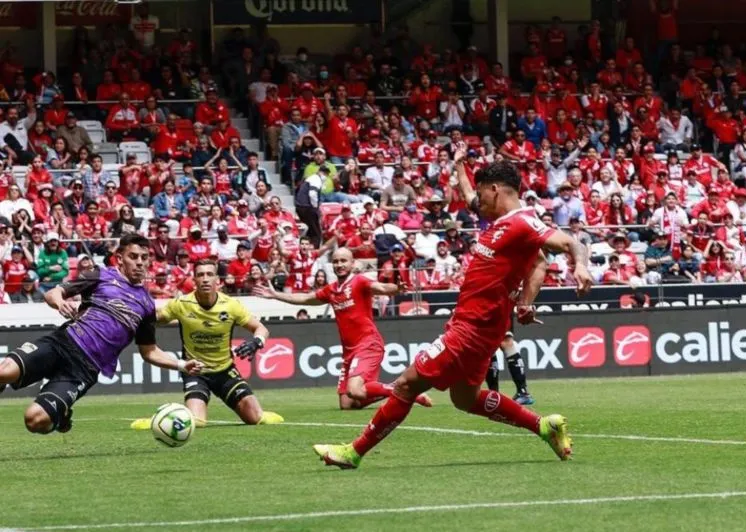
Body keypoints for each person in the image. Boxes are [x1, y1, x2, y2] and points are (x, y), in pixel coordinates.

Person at [311, 153, 592, 470]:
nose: (477, 202)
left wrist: (580, 266)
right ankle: (543, 426)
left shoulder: (523, 222)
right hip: (482, 328)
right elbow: (536, 260)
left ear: (495, 189)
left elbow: (572, 244)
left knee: (405, 385)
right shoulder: (501, 220)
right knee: (465, 398)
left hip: (472, 328)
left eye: (482, 194)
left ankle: (353, 452)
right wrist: (459, 167)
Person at [0, 234, 204, 434]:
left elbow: (149, 351)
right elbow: (52, 293)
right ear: (120, 258)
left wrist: (181, 365)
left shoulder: (147, 305)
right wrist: (60, 303)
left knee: (35, 421)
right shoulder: (100, 275)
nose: (140, 262)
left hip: (84, 368)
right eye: (133, 256)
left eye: (144, 257)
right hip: (62, 343)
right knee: (4, 372)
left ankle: (60, 416)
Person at [255, 247, 433, 411]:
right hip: (349, 352)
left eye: (343, 261)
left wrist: (396, 289)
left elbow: (381, 287)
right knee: (347, 404)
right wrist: (275, 295)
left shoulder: (359, 281)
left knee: (355, 390)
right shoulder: (331, 290)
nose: (339, 265)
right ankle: (395, 390)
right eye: (336, 261)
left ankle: (407, 391)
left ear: (352, 263)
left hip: (368, 344)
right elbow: (306, 298)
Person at [130, 259, 284, 430]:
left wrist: (257, 342)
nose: (205, 279)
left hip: (225, 371)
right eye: (200, 275)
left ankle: (258, 412)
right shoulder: (181, 304)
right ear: (194, 279)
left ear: (217, 279)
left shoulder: (231, 305)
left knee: (254, 418)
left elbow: (261, 328)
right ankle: (159, 418)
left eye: (209, 274)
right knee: (196, 422)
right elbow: (153, 319)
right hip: (195, 372)